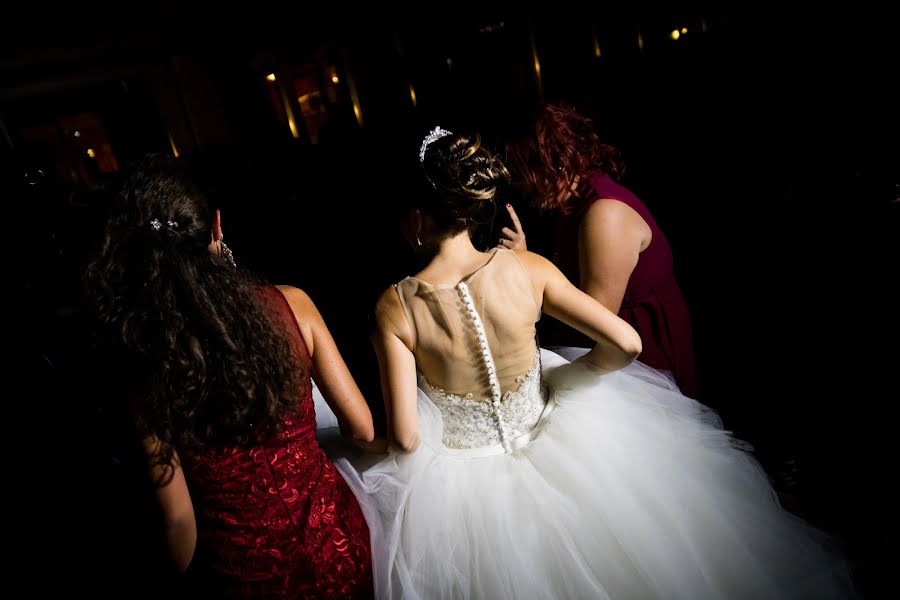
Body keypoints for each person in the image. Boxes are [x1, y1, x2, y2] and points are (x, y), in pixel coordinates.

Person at [333, 128, 855, 599]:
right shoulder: (527, 268)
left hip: (465, 496)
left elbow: (404, 439)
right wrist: (562, 377)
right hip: (566, 453)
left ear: (419, 218)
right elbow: (625, 344)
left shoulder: (394, 306)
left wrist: (358, 445)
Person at [86, 155, 374, 598]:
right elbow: (362, 427)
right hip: (337, 548)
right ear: (216, 229)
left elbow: (178, 520)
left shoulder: (144, 361)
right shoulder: (292, 305)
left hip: (245, 578)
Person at [503, 103, 697, 397]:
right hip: (613, 357)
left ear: (553, 163)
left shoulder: (604, 213)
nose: (521, 186)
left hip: (639, 365)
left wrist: (528, 267)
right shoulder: (573, 206)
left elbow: (591, 323)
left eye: (523, 172)